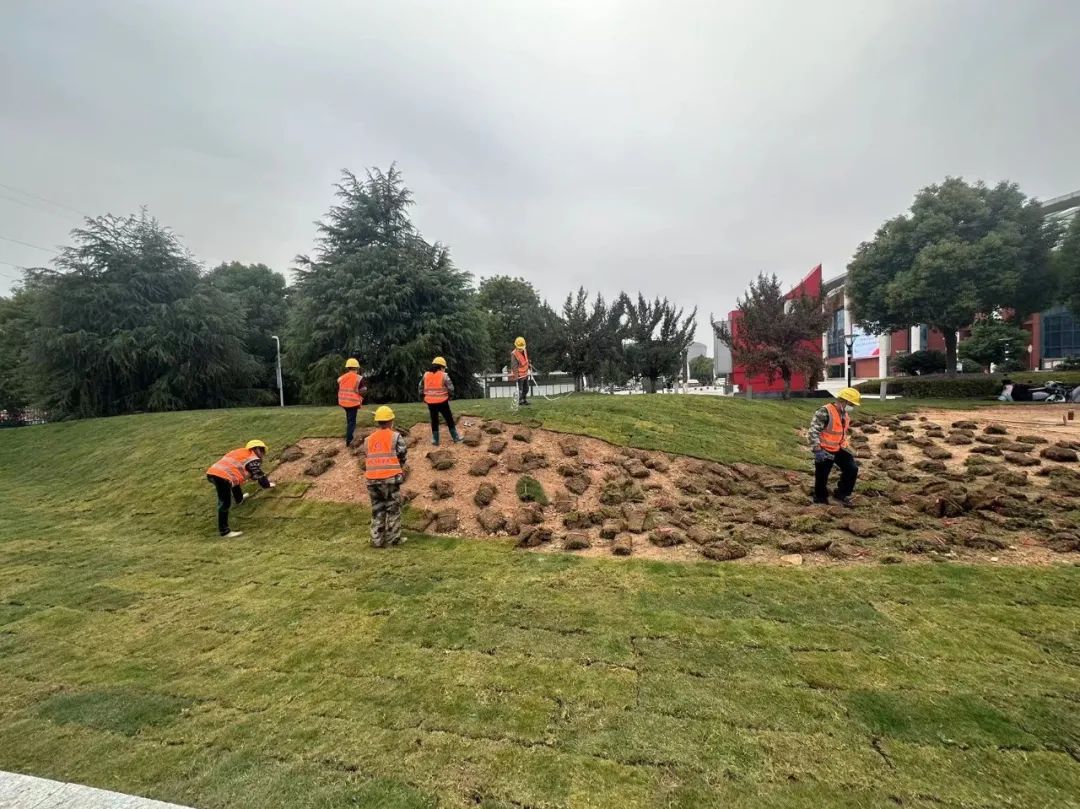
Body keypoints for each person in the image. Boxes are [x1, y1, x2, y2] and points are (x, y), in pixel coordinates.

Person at [205, 439, 274, 538]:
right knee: (225, 503)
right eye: (262, 450)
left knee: (234, 481)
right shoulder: (253, 457)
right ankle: (224, 531)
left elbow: (237, 469)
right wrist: (267, 485)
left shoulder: (241, 452)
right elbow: (257, 473)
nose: (263, 454)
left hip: (213, 473)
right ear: (257, 449)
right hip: (222, 477)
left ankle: (239, 499)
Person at [808, 387, 861, 507]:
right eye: (851, 404)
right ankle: (820, 498)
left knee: (852, 469)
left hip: (839, 448)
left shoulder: (844, 414)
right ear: (844, 401)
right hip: (824, 449)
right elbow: (813, 431)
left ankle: (842, 493)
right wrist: (817, 449)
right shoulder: (825, 411)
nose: (852, 407)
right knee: (822, 475)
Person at [365, 406, 409, 548]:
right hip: (390, 478)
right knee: (393, 509)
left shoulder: (369, 439)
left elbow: (368, 455)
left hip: (372, 479)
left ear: (377, 421)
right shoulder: (395, 436)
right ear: (391, 421)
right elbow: (402, 454)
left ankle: (376, 540)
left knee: (377, 509)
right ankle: (393, 539)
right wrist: (398, 466)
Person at [419, 356, 461, 445]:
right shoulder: (444, 375)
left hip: (430, 402)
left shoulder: (426, 375)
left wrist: (423, 397)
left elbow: (420, 387)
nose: (444, 369)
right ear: (441, 367)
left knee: (434, 420)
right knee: (449, 418)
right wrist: (450, 396)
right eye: (444, 367)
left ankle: (435, 440)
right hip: (442, 401)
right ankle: (456, 438)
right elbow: (451, 388)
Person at [337, 358, 368, 447]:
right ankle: (349, 441)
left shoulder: (342, 377)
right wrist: (363, 391)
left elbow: (339, 381)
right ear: (357, 368)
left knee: (349, 420)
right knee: (351, 422)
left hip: (343, 401)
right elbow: (362, 390)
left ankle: (349, 437)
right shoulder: (359, 378)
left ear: (348, 368)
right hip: (352, 403)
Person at [510, 336, 531, 405]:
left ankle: (524, 399)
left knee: (526, 389)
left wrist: (529, 366)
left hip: (525, 374)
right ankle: (519, 401)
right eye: (519, 348)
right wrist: (516, 376)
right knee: (520, 390)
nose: (520, 349)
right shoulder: (514, 354)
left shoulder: (524, 350)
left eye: (521, 348)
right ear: (516, 346)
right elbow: (514, 367)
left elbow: (525, 360)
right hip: (519, 376)